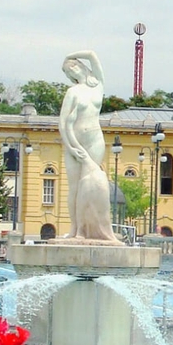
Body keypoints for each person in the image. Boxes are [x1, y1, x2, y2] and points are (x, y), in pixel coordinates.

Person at [58, 50, 119, 244]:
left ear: (82, 65)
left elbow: (93, 55)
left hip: (94, 139)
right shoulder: (72, 92)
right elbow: (62, 123)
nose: (73, 70)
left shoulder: (97, 86)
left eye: (74, 65)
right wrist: (70, 145)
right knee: (75, 186)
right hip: (75, 142)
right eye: (68, 70)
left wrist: (69, 55)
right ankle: (75, 229)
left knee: (90, 181)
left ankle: (95, 226)